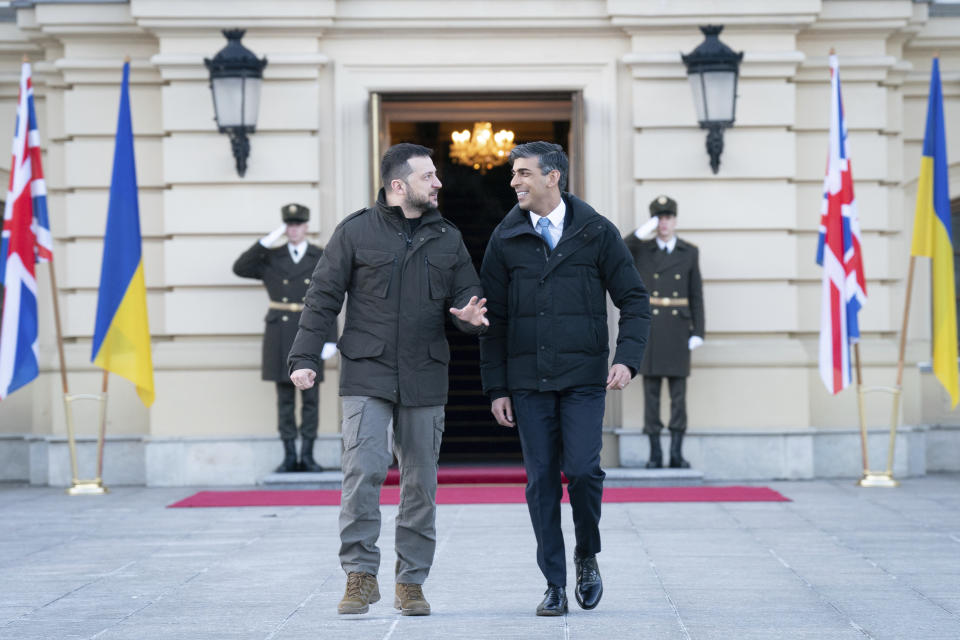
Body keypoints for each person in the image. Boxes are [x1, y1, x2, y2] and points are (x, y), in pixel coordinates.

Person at [288, 143, 488, 617]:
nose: (439, 183)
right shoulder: (355, 231)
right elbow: (322, 298)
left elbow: (468, 299)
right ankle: (359, 575)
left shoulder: (448, 237)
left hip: (425, 374)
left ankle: (411, 582)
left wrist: (468, 315)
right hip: (367, 372)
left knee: (420, 483)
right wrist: (304, 355)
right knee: (364, 470)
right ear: (398, 185)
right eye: (428, 177)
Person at [479, 141, 650, 616]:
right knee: (541, 484)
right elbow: (493, 320)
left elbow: (634, 301)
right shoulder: (505, 238)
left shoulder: (597, 232)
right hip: (528, 382)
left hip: (583, 378)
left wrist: (627, 359)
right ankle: (554, 583)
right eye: (514, 174)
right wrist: (497, 387)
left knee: (582, 470)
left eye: (523, 173)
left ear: (553, 176)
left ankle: (586, 553)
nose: (514, 181)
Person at [232, 203, 337, 473]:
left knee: (311, 400)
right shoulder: (271, 256)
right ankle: (289, 455)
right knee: (285, 399)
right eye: (289, 225)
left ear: (306, 227)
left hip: (311, 330)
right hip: (280, 333)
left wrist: (330, 339)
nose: (293, 230)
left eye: (298, 225)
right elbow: (240, 267)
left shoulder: (319, 256)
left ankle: (308, 456)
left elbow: (331, 297)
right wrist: (267, 241)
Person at [624, 195, 705, 469]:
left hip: (679, 329)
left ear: (675, 220)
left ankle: (677, 453)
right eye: (659, 218)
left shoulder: (689, 251)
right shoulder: (643, 249)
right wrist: (639, 233)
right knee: (652, 395)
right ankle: (655, 453)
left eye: (668, 218)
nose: (664, 223)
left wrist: (699, 331)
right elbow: (621, 249)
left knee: (679, 398)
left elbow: (696, 295)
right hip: (653, 328)